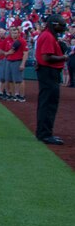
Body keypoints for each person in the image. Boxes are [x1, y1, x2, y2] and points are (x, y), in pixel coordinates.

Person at [34, 14, 67, 145]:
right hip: (48, 71)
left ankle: (44, 133)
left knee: (47, 102)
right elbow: (47, 57)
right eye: (61, 25)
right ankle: (45, 134)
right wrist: (64, 58)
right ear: (54, 24)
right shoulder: (48, 36)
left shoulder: (48, 35)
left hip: (48, 72)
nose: (63, 28)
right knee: (48, 103)